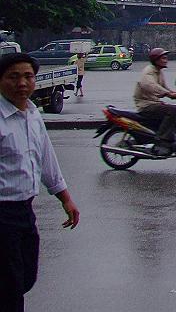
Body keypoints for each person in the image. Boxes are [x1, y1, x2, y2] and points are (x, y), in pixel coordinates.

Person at [0, 53, 80, 312]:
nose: (22, 83)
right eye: (13, 77)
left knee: (26, 277)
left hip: (25, 211)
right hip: (2, 214)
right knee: (11, 286)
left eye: (28, 76)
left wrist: (65, 197)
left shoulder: (32, 114)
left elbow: (46, 158)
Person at [133, 48, 176, 150]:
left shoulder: (159, 72)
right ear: (156, 60)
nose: (166, 60)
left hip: (154, 103)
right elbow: (152, 86)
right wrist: (169, 94)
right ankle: (162, 139)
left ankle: (170, 136)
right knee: (175, 110)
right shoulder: (148, 72)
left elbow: (164, 88)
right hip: (146, 105)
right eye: (164, 58)